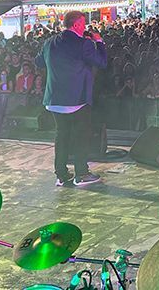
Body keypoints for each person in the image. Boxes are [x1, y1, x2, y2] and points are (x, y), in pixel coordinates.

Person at [36, 11, 108, 187]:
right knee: (80, 136)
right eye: (83, 23)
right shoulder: (84, 44)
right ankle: (81, 174)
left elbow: (38, 62)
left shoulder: (49, 42)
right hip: (76, 100)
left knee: (61, 136)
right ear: (76, 25)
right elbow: (102, 62)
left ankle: (61, 175)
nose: (84, 27)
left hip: (54, 99)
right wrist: (98, 41)